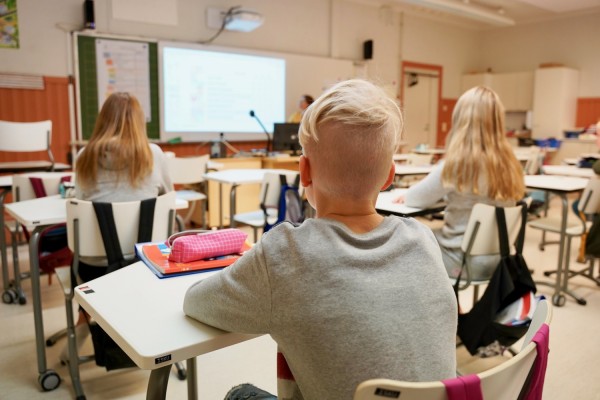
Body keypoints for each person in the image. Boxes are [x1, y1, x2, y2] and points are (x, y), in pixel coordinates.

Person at [183, 79, 457, 400]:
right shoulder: (422, 238)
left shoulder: (285, 255)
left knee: (240, 394)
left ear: (304, 171)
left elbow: (197, 303)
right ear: (389, 176)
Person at [68, 92, 173, 358]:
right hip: (147, 265)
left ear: (103, 120)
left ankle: (85, 319)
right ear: (139, 122)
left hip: (94, 271)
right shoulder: (155, 154)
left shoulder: (84, 156)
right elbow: (168, 197)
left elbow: (80, 203)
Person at [393, 86, 525, 281]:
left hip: (462, 261)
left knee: (405, 241)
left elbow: (415, 198)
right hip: (500, 259)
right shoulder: (511, 165)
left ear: (461, 122)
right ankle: (454, 305)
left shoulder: (458, 165)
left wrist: (408, 195)